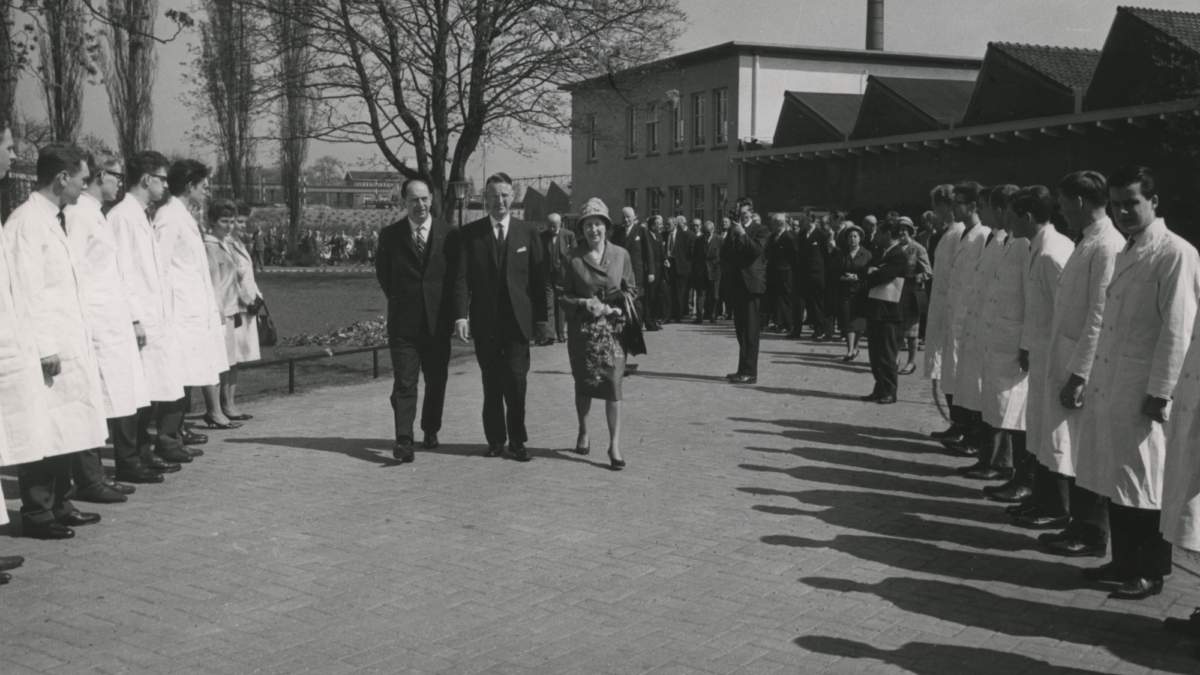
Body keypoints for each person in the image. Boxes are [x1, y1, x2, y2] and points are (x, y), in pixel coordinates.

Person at [1074, 167, 1200, 600]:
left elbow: (1178, 330)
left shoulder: (1175, 253)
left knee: (1146, 482)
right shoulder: (1128, 251)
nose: (1124, 211)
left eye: (1132, 202)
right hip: (1115, 381)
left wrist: (1161, 392)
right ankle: (1123, 560)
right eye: (1117, 204)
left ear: (1154, 202)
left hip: (1146, 390)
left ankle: (1150, 571)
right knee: (1118, 476)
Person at [5, 143, 108, 539]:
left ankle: (60, 501)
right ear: (63, 177)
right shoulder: (27, 222)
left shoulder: (57, 218)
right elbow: (28, 292)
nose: (86, 185)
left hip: (68, 341)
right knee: (44, 428)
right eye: (82, 177)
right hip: (45, 347)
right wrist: (46, 345)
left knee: (67, 426)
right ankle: (37, 511)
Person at [1035, 171, 1126, 555]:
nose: (1059, 210)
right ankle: (1080, 525)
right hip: (1068, 357)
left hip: (1083, 367)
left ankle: (1091, 532)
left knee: (1084, 449)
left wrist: (1079, 374)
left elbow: (1099, 315)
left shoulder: (1107, 246)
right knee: (1074, 448)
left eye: (1063, 202)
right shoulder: (1087, 241)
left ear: (1081, 202)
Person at [64, 153, 152, 501]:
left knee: (110, 398)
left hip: (109, 319)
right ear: (101, 175)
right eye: (117, 176)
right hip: (95, 321)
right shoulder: (79, 214)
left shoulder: (94, 214)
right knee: (93, 400)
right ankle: (89, 478)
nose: (120, 182)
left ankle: (99, 473)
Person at [0, 125, 69, 554]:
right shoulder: (25, 221)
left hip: (23, 337)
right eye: (7, 146)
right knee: (31, 430)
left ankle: (52, 504)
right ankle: (40, 509)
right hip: (22, 339)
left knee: (48, 425)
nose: (14, 153)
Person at [454, 173, 546, 461]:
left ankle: (518, 441)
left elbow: (538, 279)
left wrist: (542, 321)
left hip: (518, 322)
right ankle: (495, 439)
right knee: (491, 382)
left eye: (505, 195)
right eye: (494, 195)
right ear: (486, 199)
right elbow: (461, 279)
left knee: (517, 383)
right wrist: (460, 316)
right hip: (485, 322)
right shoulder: (471, 234)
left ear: (513, 196)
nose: (500, 200)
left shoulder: (527, 232)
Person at [108, 151, 187, 478]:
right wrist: (135, 317)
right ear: (146, 180)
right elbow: (122, 272)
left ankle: (142, 450)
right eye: (163, 179)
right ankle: (130, 457)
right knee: (134, 392)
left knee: (150, 391)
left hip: (153, 318)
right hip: (138, 320)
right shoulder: (122, 217)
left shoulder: (141, 214)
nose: (166, 186)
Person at [1005, 186, 1074, 528]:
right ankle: (1041, 498)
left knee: (1054, 434)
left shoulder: (1052, 253)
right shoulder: (1037, 247)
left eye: (1012, 215)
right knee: (1040, 431)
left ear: (1027, 218)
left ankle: (1058, 506)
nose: (1008, 221)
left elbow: (1069, 313)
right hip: (1041, 353)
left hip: (1058, 358)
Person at [376, 179, 459, 461]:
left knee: (436, 382)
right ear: (404, 202)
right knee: (404, 383)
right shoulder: (390, 236)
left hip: (437, 323)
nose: (420, 205)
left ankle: (430, 428)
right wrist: (404, 301)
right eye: (414, 200)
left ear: (432, 200)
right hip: (404, 323)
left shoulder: (449, 234)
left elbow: (455, 279)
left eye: (424, 199)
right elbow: (384, 276)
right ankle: (404, 440)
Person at [559, 198, 637, 470]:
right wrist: (583, 304)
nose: (594, 230)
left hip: (613, 335)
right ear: (582, 229)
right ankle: (583, 430)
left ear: (606, 226)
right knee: (585, 384)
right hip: (584, 333)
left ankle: (614, 445)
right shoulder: (572, 258)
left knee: (614, 386)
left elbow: (632, 289)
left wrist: (617, 305)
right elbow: (562, 295)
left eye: (598, 224)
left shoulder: (620, 255)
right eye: (589, 225)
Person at [156, 160, 231, 438]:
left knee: (189, 371)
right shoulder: (168, 217)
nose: (207, 192)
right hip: (179, 312)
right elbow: (160, 268)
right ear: (190, 186)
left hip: (193, 310)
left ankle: (178, 431)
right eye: (204, 186)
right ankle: (169, 436)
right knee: (178, 374)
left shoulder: (184, 215)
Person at [963, 186, 1030, 483]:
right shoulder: (1001, 242)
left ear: (1000, 210)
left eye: (988, 208)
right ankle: (991, 459)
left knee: (1007, 407)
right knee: (992, 402)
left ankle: (1002, 464)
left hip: (1010, 341)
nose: (984, 214)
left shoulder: (1021, 245)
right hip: (991, 335)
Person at [931, 183, 991, 450]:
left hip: (968, 318)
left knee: (965, 378)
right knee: (952, 372)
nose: (953, 208)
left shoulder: (981, 236)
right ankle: (961, 426)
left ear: (973, 206)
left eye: (958, 203)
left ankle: (970, 431)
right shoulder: (963, 233)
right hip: (952, 312)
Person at [202, 200, 254, 435]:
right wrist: (218, 311)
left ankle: (226, 406)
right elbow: (212, 284)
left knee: (228, 362)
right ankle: (214, 411)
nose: (229, 226)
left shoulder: (224, 244)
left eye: (232, 221)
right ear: (212, 221)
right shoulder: (209, 245)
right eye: (224, 221)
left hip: (231, 309)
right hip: (218, 312)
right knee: (216, 363)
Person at [721, 199, 770, 384]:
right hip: (736, 285)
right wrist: (731, 235)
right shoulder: (734, 230)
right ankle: (742, 369)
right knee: (740, 330)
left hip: (751, 285)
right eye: (739, 215)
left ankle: (750, 372)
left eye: (745, 214)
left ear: (751, 213)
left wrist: (742, 234)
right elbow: (724, 255)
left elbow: (756, 252)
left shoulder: (761, 229)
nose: (742, 217)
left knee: (750, 330)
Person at [861, 220, 910, 404]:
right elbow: (867, 270)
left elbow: (880, 275)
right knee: (875, 353)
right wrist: (871, 271)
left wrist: (873, 272)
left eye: (880, 233)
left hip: (889, 311)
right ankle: (879, 387)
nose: (877, 236)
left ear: (888, 233)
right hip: (876, 308)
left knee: (887, 353)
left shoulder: (898, 255)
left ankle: (890, 390)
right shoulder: (882, 253)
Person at [224, 201, 262, 419]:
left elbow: (247, 275)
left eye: (243, 222)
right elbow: (230, 279)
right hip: (237, 306)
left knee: (236, 360)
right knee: (230, 359)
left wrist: (257, 296)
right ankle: (224, 405)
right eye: (238, 221)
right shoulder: (226, 244)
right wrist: (248, 300)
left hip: (247, 305)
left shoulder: (237, 242)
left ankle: (230, 403)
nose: (240, 226)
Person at [608, 207, 655, 334]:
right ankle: (626, 323)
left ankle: (637, 325)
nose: (626, 220)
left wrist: (651, 271)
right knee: (623, 298)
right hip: (621, 271)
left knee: (636, 298)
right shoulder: (618, 232)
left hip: (637, 272)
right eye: (624, 217)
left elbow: (649, 252)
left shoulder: (642, 231)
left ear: (634, 217)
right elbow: (611, 250)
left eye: (629, 217)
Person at [832, 223, 871, 361]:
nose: (852, 239)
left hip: (860, 293)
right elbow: (834, 271)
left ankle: (855, 348)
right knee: (847, 321)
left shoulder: (867, 254)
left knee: (858, 322)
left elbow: (870, 273)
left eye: (855, 236)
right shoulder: (841, 254)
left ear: (860, 238)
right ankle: (849, 351)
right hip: (845, 292)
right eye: (850, 237)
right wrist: (842, 277)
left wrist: (858, 277)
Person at [897, 217, 931, 375]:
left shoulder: (918, 248)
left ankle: (911, 362)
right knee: (896, 329)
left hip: (911, 294)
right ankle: (895, 360)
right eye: (899, 229)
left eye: (904, 229)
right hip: (895, 294)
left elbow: (928, 272)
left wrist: (916, 278)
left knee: (911, 332)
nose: (901, 232)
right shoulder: (895, 248)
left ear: (910, 231)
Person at [538, 213, 575, 344]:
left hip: (562, 275)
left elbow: (574, 256)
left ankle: (561, 334)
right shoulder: (542, 235)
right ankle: (549, 336)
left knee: (560, 303)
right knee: (548, 304)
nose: (552, 229)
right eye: (549, 226)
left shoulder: (568, 235)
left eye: (554, 226)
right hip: (547, 274)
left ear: (560, 224)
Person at [795, 212, 828, 340]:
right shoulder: (801, 234)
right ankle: (796, 330)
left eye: (802, 220)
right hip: (803, 275)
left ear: (810, 221)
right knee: (799, 302)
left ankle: (819, 330)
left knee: (817, 303)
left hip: (817, 275)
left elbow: (825, 256)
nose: (800, 222)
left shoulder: (821, 235)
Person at [764, 214, 797, 334]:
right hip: (773, 273)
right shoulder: (773, 236)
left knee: (785, 298)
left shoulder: (788, 236)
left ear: (779, 224)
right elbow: (768, 251)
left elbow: (794, 255)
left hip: (785, 273)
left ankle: (787, 324)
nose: (770, 226)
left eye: (772, 224)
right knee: (776, 298)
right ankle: (778, 322)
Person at [692, 220, 722, 323]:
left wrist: (719, 267)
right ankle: (699, 317)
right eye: (705, 232)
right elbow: (695, 255)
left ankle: (712, 315)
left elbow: (724, 255)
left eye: (708, 232)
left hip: (714, 271)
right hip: (701, 271)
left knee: (714, 296)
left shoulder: (719, 239)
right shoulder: (699, 240)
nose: (706, 234)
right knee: (701, 295)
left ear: (713, 230)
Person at [664, 215, 692, 322]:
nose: (667, 226)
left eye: (669, 224)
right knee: (668, 291)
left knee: (679, 292)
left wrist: (686, 268)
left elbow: (688, 253)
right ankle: (667, 316)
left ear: (675, 224)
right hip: (668, 266)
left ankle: (678, 315)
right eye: (666, 224)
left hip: (680, 267)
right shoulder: (664, 235)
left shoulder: (684, 235)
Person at [645, 215, 666, 330]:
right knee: (650, 296)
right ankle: (649, 321)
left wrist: (666, 259)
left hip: (661, 270)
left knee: (661, 294)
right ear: (652, 226)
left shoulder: (660, 237)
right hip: (651, 270)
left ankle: (655, 318)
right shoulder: (646, 236)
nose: (662, 226)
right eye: (659, 224)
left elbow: (663, 252)